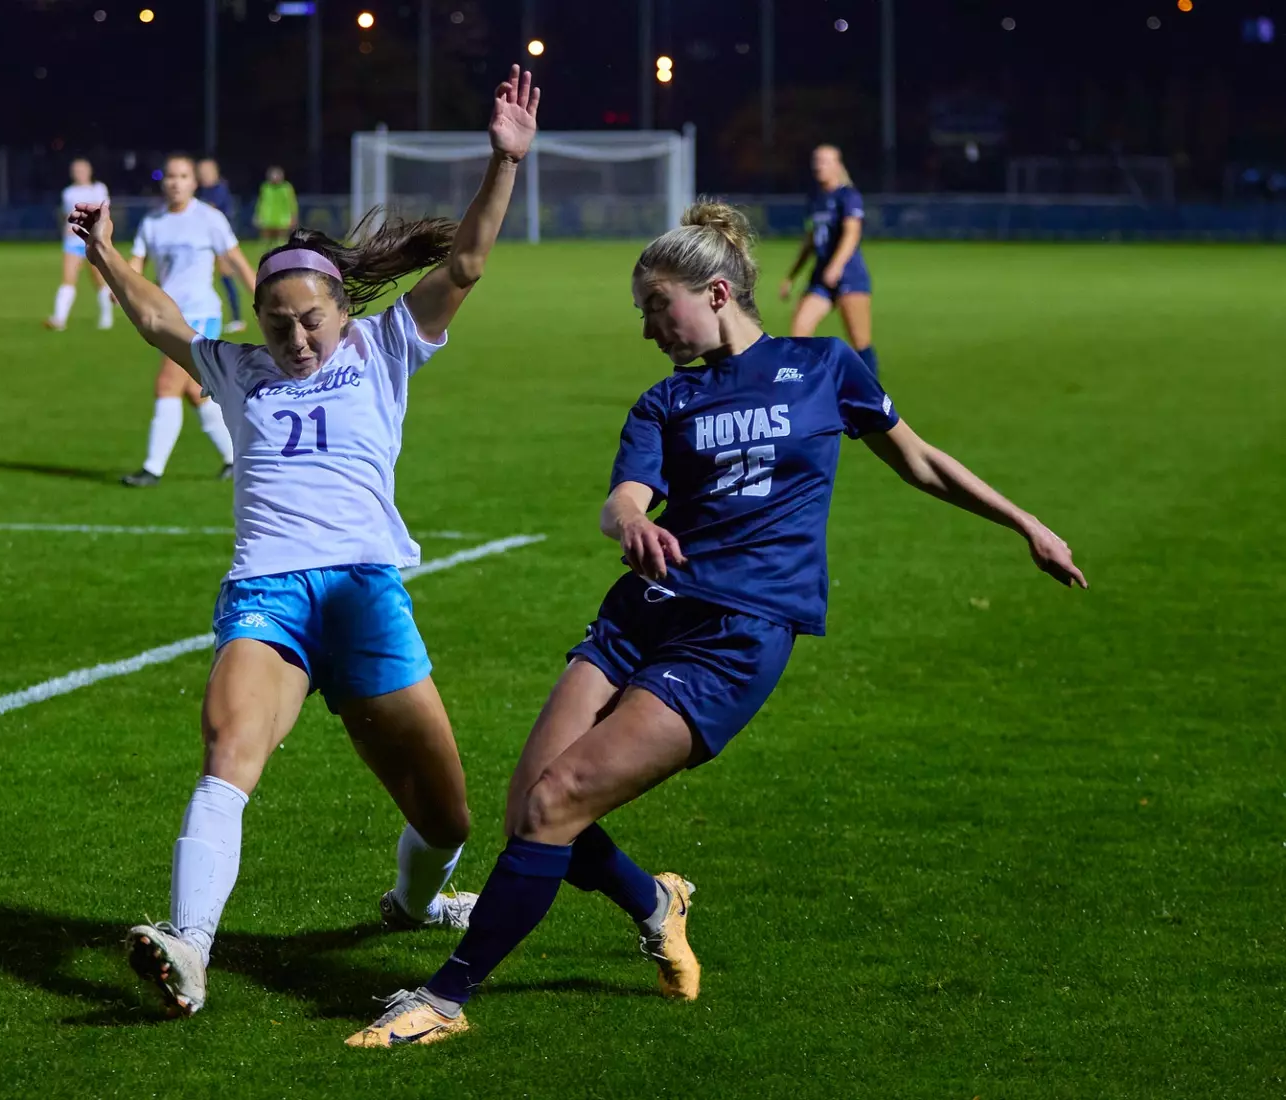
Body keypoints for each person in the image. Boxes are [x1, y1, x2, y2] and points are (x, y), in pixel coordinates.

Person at [347, 201, 1086, 1048]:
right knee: (530, 810)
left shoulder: (823, 368)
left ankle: (445, 999)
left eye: (657, 310)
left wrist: (1025, 523)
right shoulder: (667, 399)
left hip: (735, 634)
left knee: (557, 803)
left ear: (717, 291)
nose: (649, 330)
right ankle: (654, 903)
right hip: (641, 615)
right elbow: (624, 496)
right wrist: (629, 522)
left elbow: (919, 460)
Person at [67, 66, 541, 1019]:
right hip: (269, 594)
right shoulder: (238, 368)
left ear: (343, 310)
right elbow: (161, 320)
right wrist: (110, 254)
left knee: (445, 816)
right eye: (278, 322)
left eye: (310, 320)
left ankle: (413, 902)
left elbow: (468, 265)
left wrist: (503, 162)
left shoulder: (385, 348)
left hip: (366, 594)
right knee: (229, 748)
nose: (295, 338)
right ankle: (189, 948)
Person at [123, 154, 258, 487]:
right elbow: (136, 263)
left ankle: (152, 469)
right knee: (194, 391)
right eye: (170, 176)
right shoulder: (153, 222)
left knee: (167, 384)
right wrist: (122, 287)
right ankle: (235, 458)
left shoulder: (209, 218)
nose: (175, 182)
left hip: (200, 314)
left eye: (183, 176)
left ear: (193, 183)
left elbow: (237, 261)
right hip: (165, 315)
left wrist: (263, 298)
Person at [779, 145, 878, 377]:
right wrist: (791, 276)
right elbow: (811, 240)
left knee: (860, 341)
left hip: (849, 276)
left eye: (824, 161)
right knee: (799, 330)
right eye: (816, 160)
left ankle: (872, 395)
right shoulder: (815, 199)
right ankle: (804, 384)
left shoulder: (848, 196)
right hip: (821, 277)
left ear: (837, 165)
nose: (818, 165)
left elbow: (852, 233)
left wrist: (836, 265)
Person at [45, 158, 114, 331]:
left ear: (89, 171)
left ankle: (106, 317)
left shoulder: (99, 189)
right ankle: (59, 319)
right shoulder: (68, 192)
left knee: (98, 279)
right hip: (72, 241)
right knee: (68, 279)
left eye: (82, 170)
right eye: (76, 170)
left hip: (93, 239)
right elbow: (67, 216)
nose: (79, 173)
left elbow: (102, 211)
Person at [196, 158, 248, 334]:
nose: (202, 175)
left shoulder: (218, 190)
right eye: (200, 172)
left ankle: (237, 318)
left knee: (227, 277)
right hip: (208, 241)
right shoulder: (205, 190)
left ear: (214, 172)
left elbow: (210, 210)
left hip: (222, 243)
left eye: (206, 172)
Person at [253, 165, 299, 243]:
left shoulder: (286, 187)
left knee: (281, 241)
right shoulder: (265, 187)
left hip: (282, 218)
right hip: (267, 217)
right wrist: (258, 215)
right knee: (266, 240)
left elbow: (292, 203)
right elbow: (261, 202)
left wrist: (293, 217)